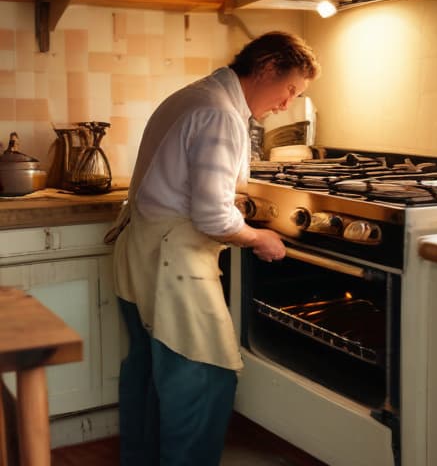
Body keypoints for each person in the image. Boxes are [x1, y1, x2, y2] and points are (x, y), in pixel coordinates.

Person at [108, 31, 321, 466]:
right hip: (173, 263)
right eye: (290, 90)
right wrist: (259, 236)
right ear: (266, 68)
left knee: (148, 374)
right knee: (203, 381)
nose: (287, 104)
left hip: (142, 254)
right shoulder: (219, 114)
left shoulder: (193, 96)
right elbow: (213, 219)